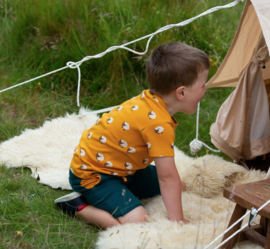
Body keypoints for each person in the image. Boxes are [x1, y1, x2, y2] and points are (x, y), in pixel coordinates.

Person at [54, 42, 210, 229]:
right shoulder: (158, 124)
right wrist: (178, 220)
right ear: (181, 92)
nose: (206, 89)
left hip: (126, 171)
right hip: (94, 175)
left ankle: (120, 192)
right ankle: (78, 207)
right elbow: (167, 177)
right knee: (137, 221)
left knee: (179, 186)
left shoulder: (152, 100)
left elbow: (169, 178)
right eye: (203, 85)